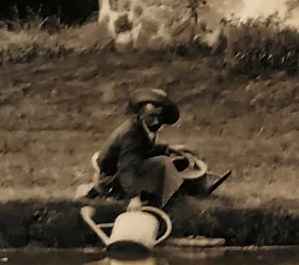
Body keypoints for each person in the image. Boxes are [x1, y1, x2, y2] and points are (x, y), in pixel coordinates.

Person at [86, 88, 230, 209]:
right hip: (112, 181)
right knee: (164, 164)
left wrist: (169, 148)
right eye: (151, 116)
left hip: (120, 174)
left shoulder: (141, 128)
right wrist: (134, 198)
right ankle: (173, 202)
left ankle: (167, 196)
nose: (156, 120)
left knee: (164, 161)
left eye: (159, 116)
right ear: (141, 114)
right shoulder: (131, 135)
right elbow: (127, 167)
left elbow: (144, 150)